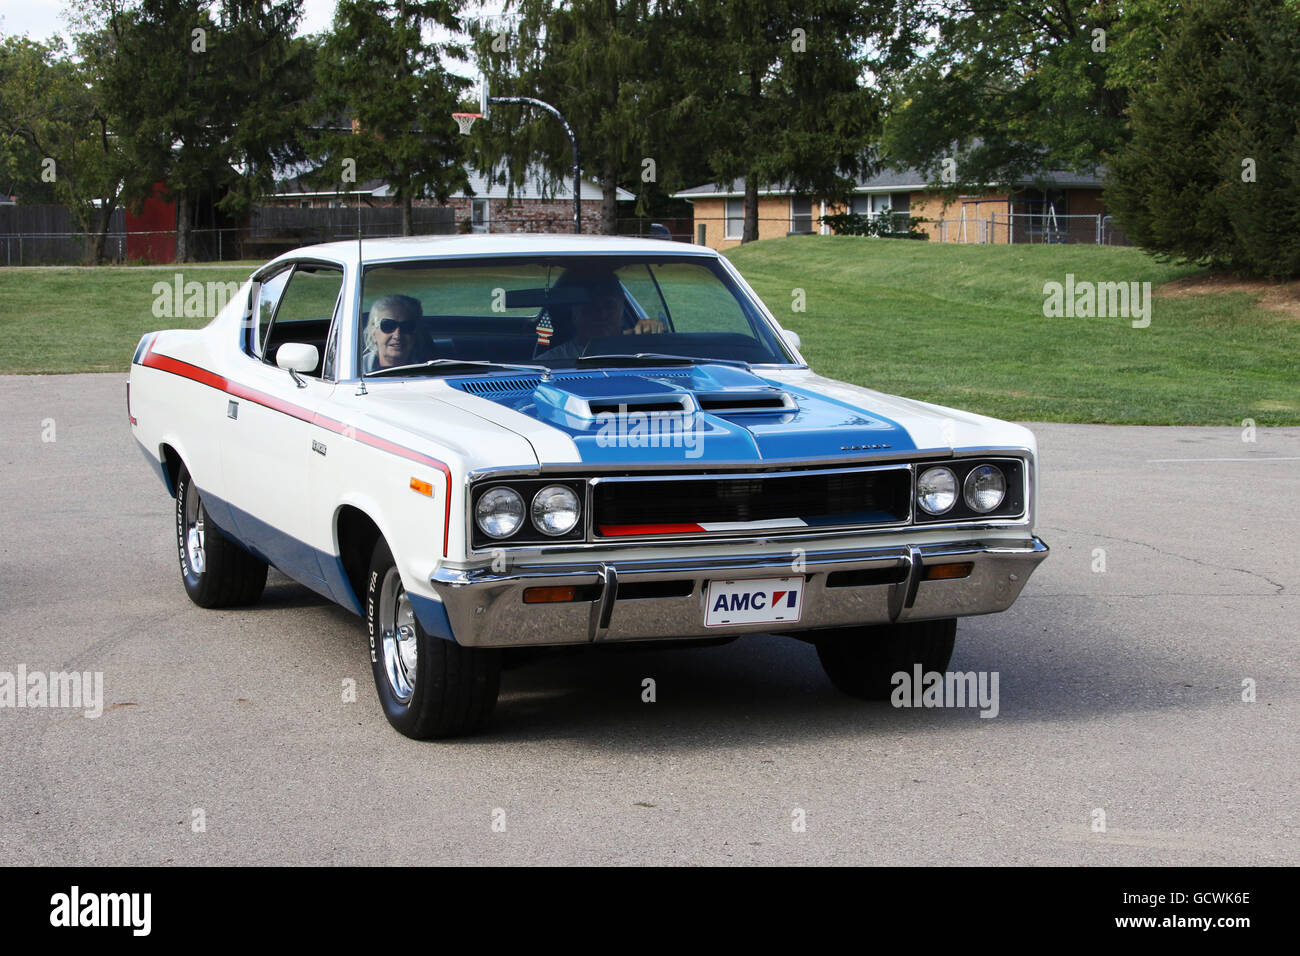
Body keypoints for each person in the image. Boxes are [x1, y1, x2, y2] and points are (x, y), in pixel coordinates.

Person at [535, 269, 664, 362]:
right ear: (575, 315)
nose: (602, 314)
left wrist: (656, 334)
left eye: (609, 306)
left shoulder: (641, 352)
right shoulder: (549, 363)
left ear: (621, 312)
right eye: (591, 307)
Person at [361, 294, 430, 371]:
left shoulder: (432, 373)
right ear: (374, 334)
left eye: (406, 326)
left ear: (416, 334)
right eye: (388, 325)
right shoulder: (352, 371)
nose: (397, 335)